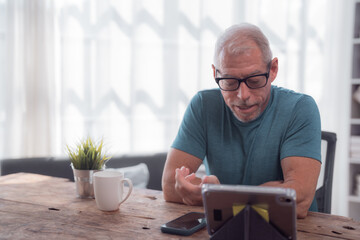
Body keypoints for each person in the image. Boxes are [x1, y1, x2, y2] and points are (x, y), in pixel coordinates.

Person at [161, 23, 321, 219]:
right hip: (226, 227)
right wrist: (272, 192)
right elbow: (170, 185)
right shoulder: (203, 105)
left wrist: (218, 196)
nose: (242, 95)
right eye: (229, 82)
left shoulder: (300, 108)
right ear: (215, 74)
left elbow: (299, 199)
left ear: (273, 69)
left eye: (254, 81)